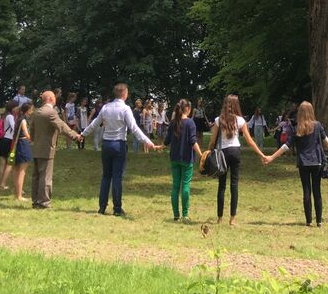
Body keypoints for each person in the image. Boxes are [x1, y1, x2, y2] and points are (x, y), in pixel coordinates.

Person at [81, 83, 160, 216]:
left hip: (106, 145)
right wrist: (148, 142)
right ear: (125, 94)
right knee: (117, 177)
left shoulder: (106, 107)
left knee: (106, 176)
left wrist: (82, 135)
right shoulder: (125, 109)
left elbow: (94, 124)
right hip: (119, 145)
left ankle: (102, 207)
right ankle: (117, 209)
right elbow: (134, 128)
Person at [264, 100, 328, 228]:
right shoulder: (318, 125)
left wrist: (272, 157)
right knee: (317, 191)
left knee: (306, 191)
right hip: (316, 162)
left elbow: (286, 146)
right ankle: (319, 221)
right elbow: (326, 141)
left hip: (303, 163)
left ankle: (308, 221)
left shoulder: (297, 128)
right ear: (311, 112)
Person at [207, 93, 268, 225]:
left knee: (221, 186)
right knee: (234, 185)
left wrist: (207, 153)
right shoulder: (240, 121)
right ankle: (232, 219)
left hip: (222, 153)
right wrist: (261, 154)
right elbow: (250, 140)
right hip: (235, 151)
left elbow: (212, 141)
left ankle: (219, 218)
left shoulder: (218, 120)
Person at [30, 90, 81, 209]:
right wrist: (75, 136)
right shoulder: (51, 112)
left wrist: (34, 140)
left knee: (36, 176)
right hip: (47, 148)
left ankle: (36, 201)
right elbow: (62, 126)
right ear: (52, 99)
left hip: (36, 148)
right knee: (45, 177)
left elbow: (31, 129)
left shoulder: (36, 112)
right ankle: (44, 202)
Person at [164, 99, 205, 223]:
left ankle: (176, 216)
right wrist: (202, 156)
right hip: (187, 159)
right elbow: (193, 141)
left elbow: (166, 141)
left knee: (175, 186)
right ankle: (185, 215)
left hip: (174, 159)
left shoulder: (173, 122)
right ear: (187, 109)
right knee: (185, 186)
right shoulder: (190, 123)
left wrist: (160, 146)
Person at [12, 102, 34, 202]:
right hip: (23, 145)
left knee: (17, 171)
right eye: (32, 109)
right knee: (22, 172)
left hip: (17, 145)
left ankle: (17, 194)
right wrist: (33, 139)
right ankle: (19, 195)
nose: (32, 111)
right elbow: (26, 134)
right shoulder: (24, 120)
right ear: (28, 110)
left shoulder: (18, 119)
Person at [0, 100, 19, 190]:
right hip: (8, 141)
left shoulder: (5, 115)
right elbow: (14, 128)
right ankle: (3, 183)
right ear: (12, 107)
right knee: (10, 163)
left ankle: (1, 183)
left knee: (3, 163)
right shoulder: (10, 116)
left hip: (2, 140)